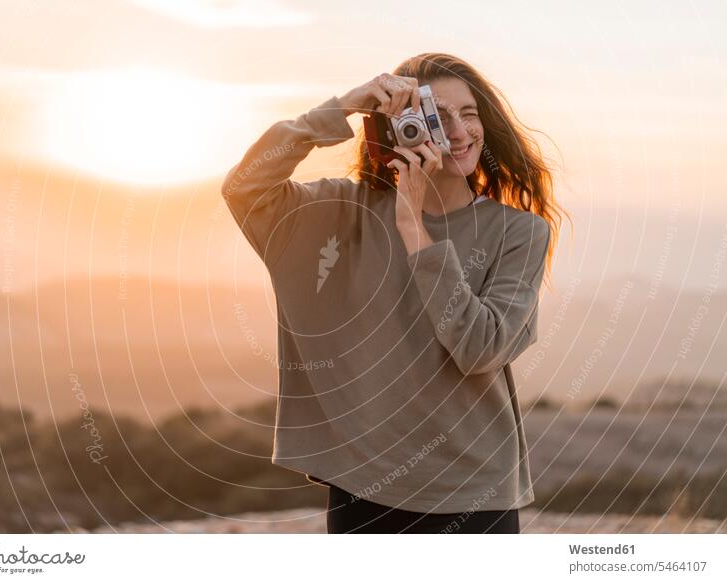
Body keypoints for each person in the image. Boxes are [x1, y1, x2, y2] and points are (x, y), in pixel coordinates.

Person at [221, 52, 567, 533]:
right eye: (437, 118)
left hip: (474, 493)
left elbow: (482, 347)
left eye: (469, 114)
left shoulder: (519, 232)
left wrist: (415, 227)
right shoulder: (344, 211)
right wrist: (340, 107)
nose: (461, 132)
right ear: (396, 128)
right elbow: (245, 187)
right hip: (363, 487)